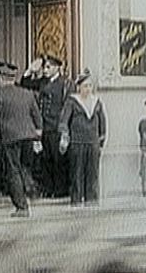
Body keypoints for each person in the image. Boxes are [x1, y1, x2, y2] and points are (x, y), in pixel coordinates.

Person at [21, 55, 73, 198]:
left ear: (56, 68)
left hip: (56, 126)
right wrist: (30, 70)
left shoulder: (64, 83)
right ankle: (48, 188)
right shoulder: (43, 82)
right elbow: (25, 84)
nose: (45, 70)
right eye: (44, 67)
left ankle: (60, 190)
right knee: (46, 159)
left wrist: (64, 129)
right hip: (44, 126)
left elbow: (67, 106)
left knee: (58, 160)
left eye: (48, 67)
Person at [0, 61, 43, 217]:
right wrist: (38, 136)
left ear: (2, 78)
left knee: (13, 171)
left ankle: (22, 206)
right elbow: (37, 117)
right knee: (25, 168)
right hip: (29, 136)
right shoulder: (27, 94)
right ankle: (31, 191)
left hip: (10, 138)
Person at [58, 69, 107, 206]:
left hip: (92, 142)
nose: (88, 89)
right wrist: (64, 137)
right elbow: (64, 121)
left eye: (90, 86)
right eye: (85, 86)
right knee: (77, 172)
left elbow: (102, 123)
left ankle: (92, 199)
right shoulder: (72, 102)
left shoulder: (97, 102)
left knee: (92, 173)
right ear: (79, 87)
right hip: (77, 142)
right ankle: (77, 200)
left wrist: (101, 142)